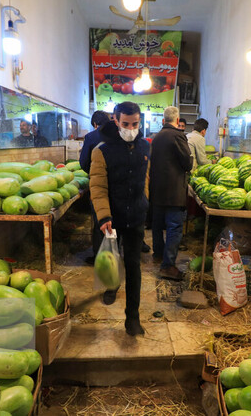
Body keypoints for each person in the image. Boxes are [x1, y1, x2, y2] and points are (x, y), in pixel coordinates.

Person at [90, 101, 150, 336]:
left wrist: (144, 201)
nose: (131, 128)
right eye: (126, 123)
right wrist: (104, 215)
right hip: (111, 219)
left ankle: (132, 318)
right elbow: (97, 186)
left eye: (135, 124)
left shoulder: (145, 147)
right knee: (111, 261)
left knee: (134, 266)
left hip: (135, 217)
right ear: (115, 120)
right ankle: (111, 287)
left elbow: (146, 179)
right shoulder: (101, 150)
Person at [150, 106, 192, 280]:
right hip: (173, 191)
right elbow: (187, 164)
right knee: (174, 227)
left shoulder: (156, 137)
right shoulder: (178, 135)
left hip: (157, 190)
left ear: (163, 120)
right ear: (177, 120)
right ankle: (167, 266)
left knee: (158, 225)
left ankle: (158, 255)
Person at [79, 110, 111, 265]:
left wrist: (94, 173)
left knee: (99, 219)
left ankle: (99, 257)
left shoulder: (91, 137)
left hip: (98, 186)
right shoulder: (118, 134)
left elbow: (84, 162)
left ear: (95, 124)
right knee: (115, 219)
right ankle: (114, 253)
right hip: (116, 185)